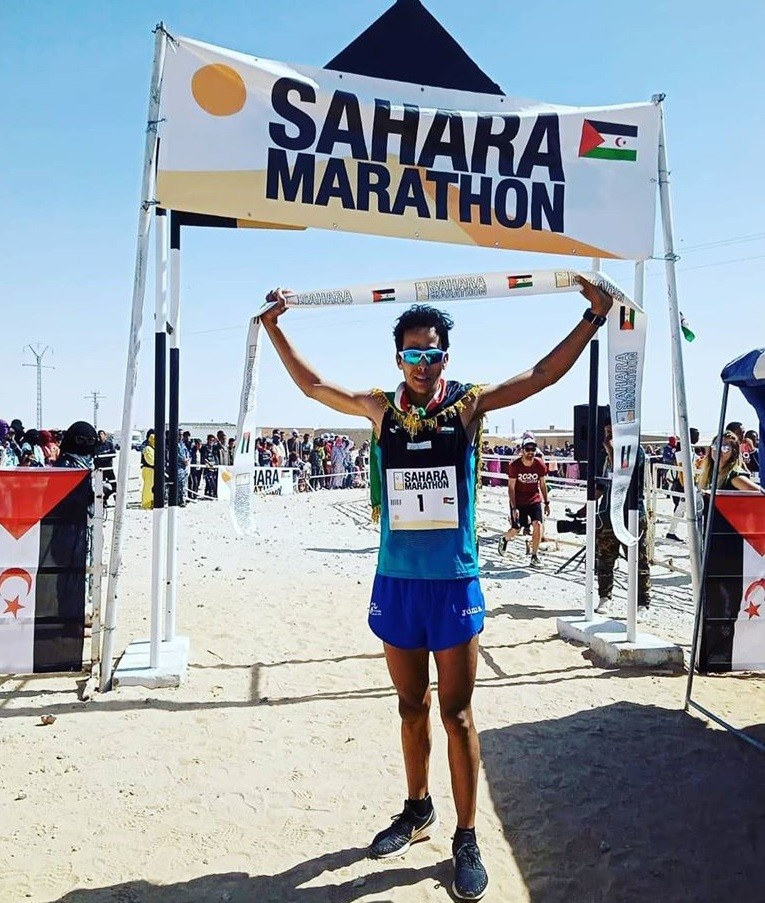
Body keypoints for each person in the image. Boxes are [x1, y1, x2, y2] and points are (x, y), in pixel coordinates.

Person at [260, 275, 614, 901]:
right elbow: (315, 387)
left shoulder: (469, 405)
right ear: (398, 358)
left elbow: (540, 377)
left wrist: (593, 318)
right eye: (413, 353)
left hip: (453, 582)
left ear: (446, 356)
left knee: (457, 714)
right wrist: (275, 330)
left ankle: (467, 836)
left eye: (433, 353)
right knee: (409, 707)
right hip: (398, 581)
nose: (423, 363)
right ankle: (417, 807)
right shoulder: (381, 409)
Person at [590, 418, 651, 613]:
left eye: (612, 432)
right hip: (607, 513)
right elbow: (601, 486)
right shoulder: (603, 454)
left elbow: (623, 472)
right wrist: (586, 508)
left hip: (631, 513)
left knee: (638, 559)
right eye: (606, 432)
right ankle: (604, 596)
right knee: (605, 558)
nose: (608, 436)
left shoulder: (635, 452)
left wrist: (611, 450)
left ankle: (642, 602)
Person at [497, 431, 549, 568]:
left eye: (533, 449)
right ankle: (504, 539)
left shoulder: (539, 465)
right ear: (522, 450)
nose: (530, 452)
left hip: (534, 499)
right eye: (527, 449)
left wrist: (546, 502)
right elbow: (511, 488)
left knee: (538, 524)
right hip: (518, 501)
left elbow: (543, 484)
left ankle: (534, 556)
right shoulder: (515, 466)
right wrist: (514, 507)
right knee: (516, 529)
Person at [697, 431, 761, 493]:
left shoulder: (735, 477)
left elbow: (760, 494)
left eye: (724, 447)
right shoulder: (710, 473)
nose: (718, 451)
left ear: (733, 452)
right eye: (715, 446)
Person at [140, 429, 155, 509]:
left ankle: (152, 502)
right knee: (148, 488)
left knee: (153, 488)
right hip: (148, 469)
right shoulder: (147, 448)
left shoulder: (153, 448)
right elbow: (151, 461)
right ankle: (146, 504)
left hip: (153, 470)